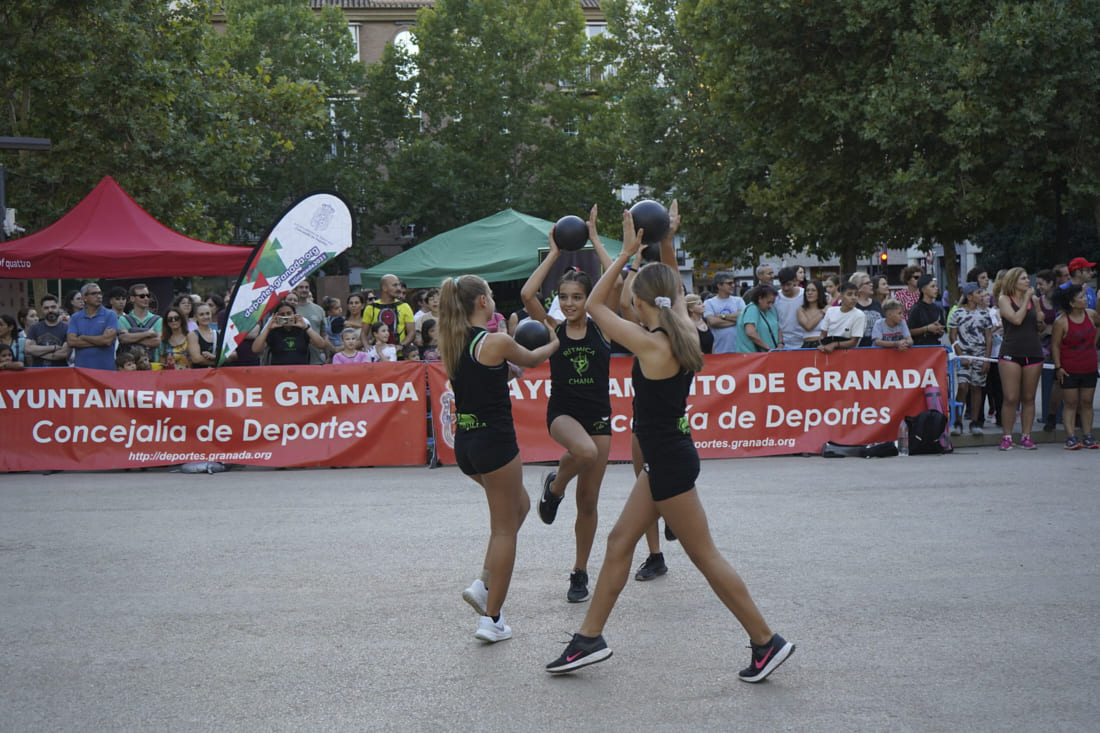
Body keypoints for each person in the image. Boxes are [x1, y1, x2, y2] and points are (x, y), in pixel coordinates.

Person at [545, 209, 794, 682]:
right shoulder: (682, 327)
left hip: (670, 464)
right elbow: (675, 287)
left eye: (633, 301)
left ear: (642, 303)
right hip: (667, 459)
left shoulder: (651, 344)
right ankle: (588, 640)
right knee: (619, 542)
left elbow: (597, 306)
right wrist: (668, 243)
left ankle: (766, 641)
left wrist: (622, 256)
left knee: (705, 556)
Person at [442, 274, 558, 643]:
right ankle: (491, 619)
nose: (492, 298)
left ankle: (483, 583)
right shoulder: (496, 341)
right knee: (504, 529)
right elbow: (534, 359)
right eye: (490, 294)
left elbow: (481, 381)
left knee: (520, 505)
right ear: (481, 303)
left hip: (467, 444)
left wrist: (505, 373)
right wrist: (554, 338)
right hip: (495, 443)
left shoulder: (453, 340)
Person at [521, 205, 615, 604]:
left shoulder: (604, 328)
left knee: (589, 502)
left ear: (588, 298)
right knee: (584, 451)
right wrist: (556, 252)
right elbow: (527, 294)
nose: (571, 302)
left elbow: (619, 280)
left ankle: (579, 573)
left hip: (599, 416)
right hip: (562, 413)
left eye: (578, 296)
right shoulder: (553, 328)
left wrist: (595, 240)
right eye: (564, 297)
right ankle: (555, 487)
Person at [994, 267, 1044, 451]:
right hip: (1011, 352)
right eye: (1023, 278)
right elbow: (1016, 319)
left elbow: (1039, 326)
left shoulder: (1035, 300)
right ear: (1013, 281)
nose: (1027, 281)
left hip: (1033, 351)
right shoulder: (1004, 299)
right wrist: (1026, 301)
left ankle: (1026, 436)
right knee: (1011, 397)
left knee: (1029, 397)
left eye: (1027, 278)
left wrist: (1040, 319)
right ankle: (1007, 436)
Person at [1051, 284, 1099, 450]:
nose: (1085, 299)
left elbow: (1098, 325)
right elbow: (1055, 346)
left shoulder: (1091, 315)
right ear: (1072, 303)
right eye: (1081, 297)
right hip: (1069, 368)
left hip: (1090, 366)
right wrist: (1058, 367)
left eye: (1085, 296)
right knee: (1070, 403)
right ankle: (1070, 436)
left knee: (1087, 402)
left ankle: (1087, 435)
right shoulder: (1061, 322)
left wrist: (1095, 341)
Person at [948, 283, 993, 436]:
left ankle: (975, 421)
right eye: (978, 292)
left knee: (977, 387)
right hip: (964, 354)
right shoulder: (958, 313)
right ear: (969, 296)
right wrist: (960, 355)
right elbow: (952, 335)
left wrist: (987, 359)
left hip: (980, 354)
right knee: (962, 387)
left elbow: (988, 337)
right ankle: (958, 421)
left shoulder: (985, 315)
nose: (982, 295)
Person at [252, 300, 329, 366]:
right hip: (278, 372)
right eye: (282, 315)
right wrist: (268, 328)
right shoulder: (273, 332)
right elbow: (256, 349)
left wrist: (306, 327)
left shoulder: (302, 330)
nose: (286, 317)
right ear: (277, 316)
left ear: (294, 314)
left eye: (289, 313)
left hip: (301, 371)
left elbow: (321, 345)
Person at [361, 274, 415, 358]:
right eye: (395, 285)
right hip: (378, 357)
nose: (398, 288)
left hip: (401, 356)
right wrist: (367, 346)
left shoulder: (405, 306)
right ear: (384, 288)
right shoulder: (370, 308)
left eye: (399, 285)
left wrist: (401, 346)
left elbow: (412, 332)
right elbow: (364, 333)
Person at [66, 283, 118, 370]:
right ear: (84, 297)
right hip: (82, 371)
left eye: (100, 293)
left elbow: (107, 341)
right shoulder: (75, 317)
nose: (99, 296)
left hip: (106, 370)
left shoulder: (110, 315)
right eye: (94, 293)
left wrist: (83, 337)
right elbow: (71, 342)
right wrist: (100, 340)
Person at [1035, 270, 1062, 432]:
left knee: (1062, 382)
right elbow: (1039, 326)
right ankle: (1049, 416)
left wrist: (1051, 329)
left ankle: (1062, 415)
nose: (1039, 287)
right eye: (1037, 284)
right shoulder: (1038, 301)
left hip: (1062, 345)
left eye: (1041, 283)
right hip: (1044, 347)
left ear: (1051, 283)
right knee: (1047, 382)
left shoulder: (1061, 300)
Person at [117, 283, 163, 364]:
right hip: (129, 367)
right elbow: (123, 339)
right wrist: (147, 334)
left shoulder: (158, 320)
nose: (146, 298)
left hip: (152, 365)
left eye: (148, 295)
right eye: (142, 296)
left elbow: (157, 341)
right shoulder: (123, 319)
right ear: (132, 298)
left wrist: (132, 338)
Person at [24, 295, 72, 368]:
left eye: (53, 307)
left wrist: (37, 352)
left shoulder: (67, 328)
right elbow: (28, 349)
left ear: (58, 308)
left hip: (60, 373)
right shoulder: (34, 327)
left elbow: (64, 353)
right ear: (41, 309)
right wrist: (54, 347)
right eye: (46, 308)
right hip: (38, 373)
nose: (50, 310)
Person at [703, 272, 745, 354]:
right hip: (719, 350)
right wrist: (736, 320)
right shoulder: (708, 303)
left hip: (739, 350)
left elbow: (743, 317)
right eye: (729, 283)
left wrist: (722, 316)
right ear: (719, 285)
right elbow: (713, 322)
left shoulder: (739, 300)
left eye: (733, 283)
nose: (733, 285)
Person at [817, 282, 864, 353]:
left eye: (856, 295)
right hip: (828, 352)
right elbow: (823, 335)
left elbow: (854, 342)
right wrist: (823, 345)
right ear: (841, 297)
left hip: (849, 353)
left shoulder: (859, 315)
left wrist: (834, 345)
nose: (854, 298)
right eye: (849, 294)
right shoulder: (830, 311)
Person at [292, 281, 330, 364]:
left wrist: (328, 355)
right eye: (301, 287)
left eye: (306, 287)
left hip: (316, 358)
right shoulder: (290, 310)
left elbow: (324, 335)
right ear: (295, 290)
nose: (304, 290)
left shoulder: (319, 309)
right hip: (295, 358)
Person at [734, 285, 780, 353]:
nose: (770, 305)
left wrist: (780, 344)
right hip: (752, 356)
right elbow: (750, 332)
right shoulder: (752, 309)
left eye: (772, 302)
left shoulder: (771, 310)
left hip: (770, 354)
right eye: (768, 302)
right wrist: (768, 348)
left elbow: (778, 328)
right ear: (760, 299)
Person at [907, 274, 947, 346]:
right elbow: (908, 331)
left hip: (935, 347)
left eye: (936, 286)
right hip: (920, 348)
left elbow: (942, 330)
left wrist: (939, 330)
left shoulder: (938, 309)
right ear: (923, 289)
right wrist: (927, 329)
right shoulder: (916, 309)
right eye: (932, 286)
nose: (936, 289)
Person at [774, 266, 805, 349]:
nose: (785, 288)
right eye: (782, 285)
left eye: (788, 284)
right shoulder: (776, 297)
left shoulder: (805, 294)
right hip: (784, 344)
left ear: (795, 280)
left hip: (804, 342)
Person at [851, 272, 883, 347]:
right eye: (867, 283)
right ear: (859, 287)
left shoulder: (877, 304)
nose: (871, 285)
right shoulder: (851, 305)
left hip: (877, 347)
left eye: (871, 282)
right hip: (858, 348)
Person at [186, 303, 219, 368]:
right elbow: (196, 359)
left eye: (207, 313)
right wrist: (218, 362)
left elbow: (233, 355)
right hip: (200, 375)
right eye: (201, 314)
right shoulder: (193, 335)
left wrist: (215, 357)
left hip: (216, 375)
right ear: (195, 317)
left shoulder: (217, 333)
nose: (205, 317)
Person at [798, 280, 827, 348]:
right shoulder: (801, 310)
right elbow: (808, 326)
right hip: (807, 346)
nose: (809, 293)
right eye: (807, 290)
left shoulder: (828, 309)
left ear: (819, 293)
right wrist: (822, 312)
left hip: (823, 345)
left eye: (813, 290)